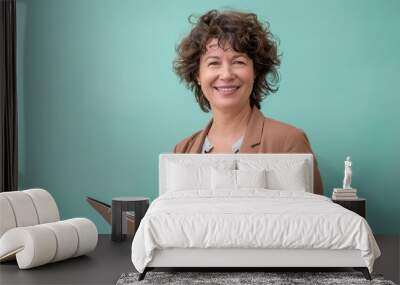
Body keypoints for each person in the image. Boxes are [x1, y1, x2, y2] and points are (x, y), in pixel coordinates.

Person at [172, 9, 323, 195]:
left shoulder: (289, 142)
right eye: (214, 63)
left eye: (238, 62)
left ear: (255, 72)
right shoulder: (182, 151)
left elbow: (313, 221)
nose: (226, 74)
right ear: (198, 75)